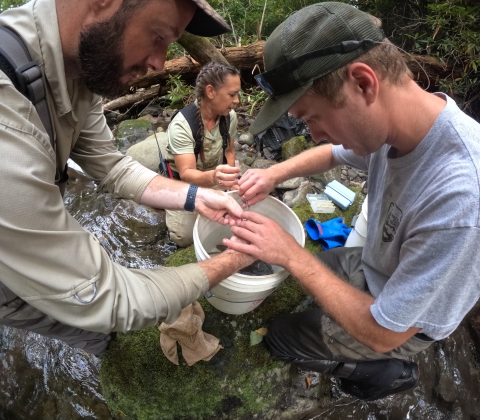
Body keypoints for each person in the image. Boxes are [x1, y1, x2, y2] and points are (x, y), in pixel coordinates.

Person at [223, 2, 480, 401]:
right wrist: (274, 174)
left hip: (403, 325)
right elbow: (331, 155)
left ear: (364, 83)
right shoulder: (395, 127)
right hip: (376, 267)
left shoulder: (459, 198)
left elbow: (385, 331)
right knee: (294, 277)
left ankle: (385, 373)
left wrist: (292, 253)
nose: (315, 134)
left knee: (280, 337)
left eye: (311, 118)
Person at [0, 0, 255, 357]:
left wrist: (197, 197)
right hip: (8, 278)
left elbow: (113, 166)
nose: (159, 63)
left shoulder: (78, 70)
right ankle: (109, 354)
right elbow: (104, 297)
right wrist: (238, 259)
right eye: (158, 37)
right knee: (92, 329)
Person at [162, 62, 241, 247]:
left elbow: (229, 150)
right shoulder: (182, 125)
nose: (237, 100)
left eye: (237, 94)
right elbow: (187, 173)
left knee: (240, 215)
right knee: (184, 237)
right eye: (232, 94)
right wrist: (215, 177)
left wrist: (230, 181)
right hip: (184, 184)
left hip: (214, 177)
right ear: (211, 91)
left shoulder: (230, 117)